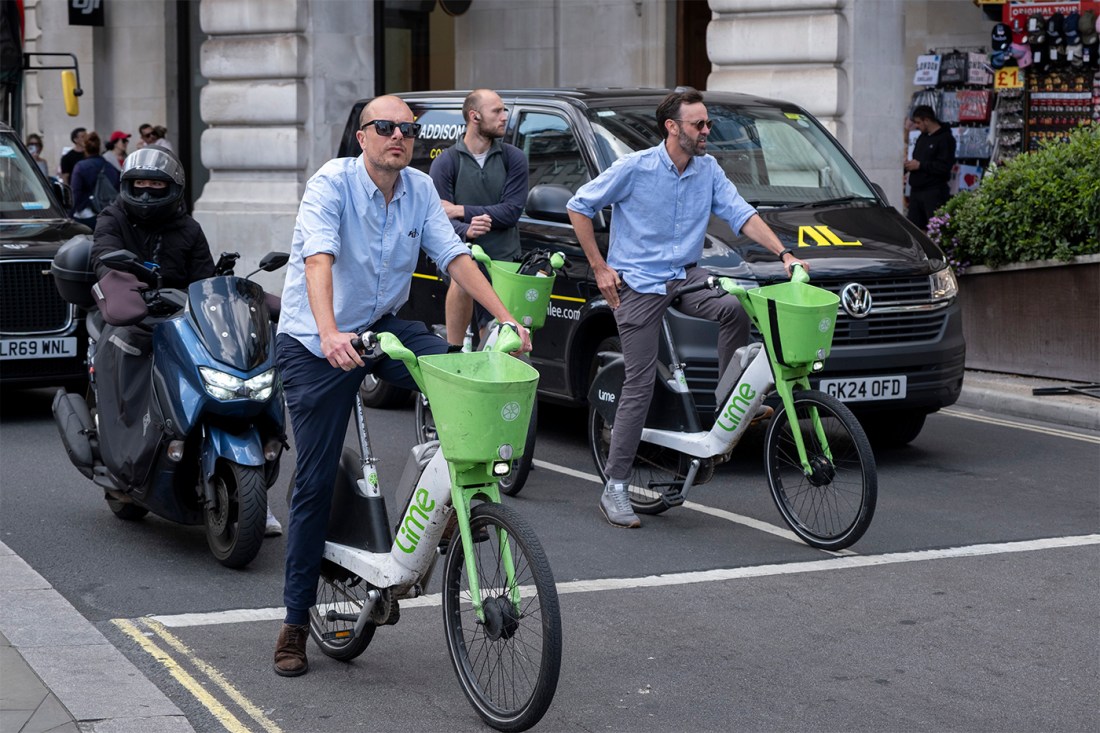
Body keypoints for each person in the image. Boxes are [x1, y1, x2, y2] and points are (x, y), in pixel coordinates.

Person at [271, 94, 531, 678]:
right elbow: (319, 261)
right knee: (312, 482)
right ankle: (293, 623)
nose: (399, 136)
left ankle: (445, 504)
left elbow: (456, 257)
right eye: (385, 127)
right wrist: (332, 332)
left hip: (382, 326)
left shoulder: (417, 189)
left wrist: (505, 317)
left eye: (408, 129)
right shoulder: (330, 185)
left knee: (456, 367)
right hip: (319, 341)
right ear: (362, 136)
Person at [566, 88, 807, 530]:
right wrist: (600, 268)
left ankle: (727, 407)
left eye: (708, 123)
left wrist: (784, 254)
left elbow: (742, 214)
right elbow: (579, 207)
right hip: (637, 283)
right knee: (639, 382)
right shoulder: (635, 168)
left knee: (734, 309)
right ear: (672, 128)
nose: (706, 131)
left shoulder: (708, 170)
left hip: (685, 274)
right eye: (699, 124)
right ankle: (615, 486)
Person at [88, 146, 283, 535]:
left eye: (155, 187)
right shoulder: (112, 218)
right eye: (138, 187)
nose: (145, 195)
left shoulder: (189, 229)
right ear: (125, 186)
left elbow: (204, 280)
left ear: (173, 189)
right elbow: (105, 256)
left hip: (179, 319)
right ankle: (125, 457)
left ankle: (254, 494)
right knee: (124, 351)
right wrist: (124, 286)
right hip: (129, 317)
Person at [429, 89, 528, 345]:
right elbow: (437, 218)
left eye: (504, 110)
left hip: (504, 260)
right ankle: (454, 351)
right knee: (463, 279)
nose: (504, 116)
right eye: (497, 111)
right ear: (474, 116)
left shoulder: (513, 158)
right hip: (464, 256)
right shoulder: (446, 162)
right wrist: (466, 231)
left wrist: (462, 210)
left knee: (500, 341)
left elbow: (512, 211)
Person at [904, 105, 956, 231]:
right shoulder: (922, 137)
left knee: (934, 229)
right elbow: (918, 158)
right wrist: (909, 165)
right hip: (916, 190)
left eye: (918, 122)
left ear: (927, 120)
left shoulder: (945, 139)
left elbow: (944, 166)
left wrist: (921, 165)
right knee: (915, 230)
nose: (916, 126)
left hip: (933, 191)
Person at [70, 132, 118, 228]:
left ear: (85, 148)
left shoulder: (80, 167)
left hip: (86, 215)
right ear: (99, 147)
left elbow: (75, 192)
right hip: (107, 213)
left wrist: (70, 215)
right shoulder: (110, 167)